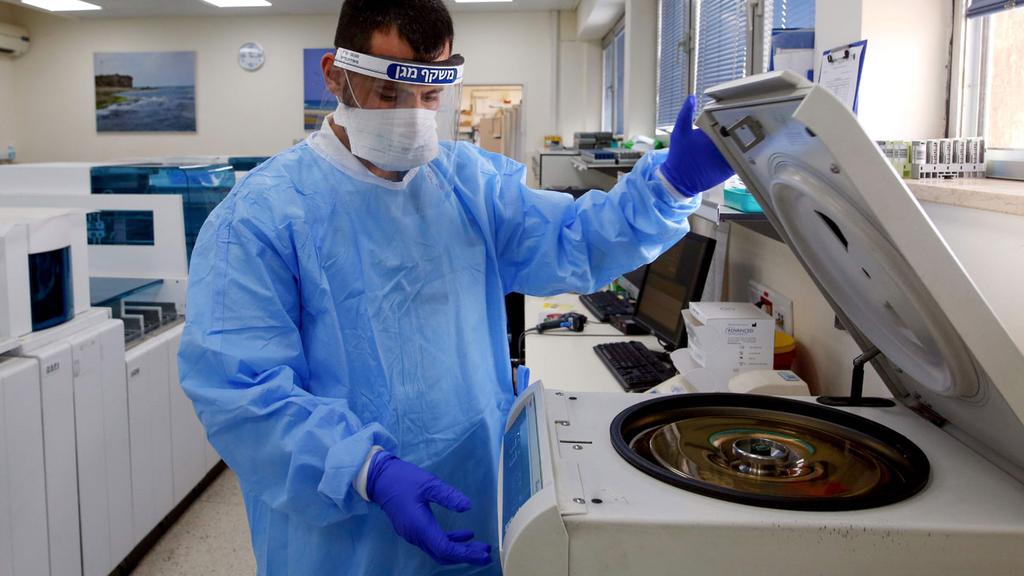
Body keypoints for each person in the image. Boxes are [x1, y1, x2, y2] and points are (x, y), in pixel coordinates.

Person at [177, 0, 734, 574]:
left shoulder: (469, 183)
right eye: (389, 94)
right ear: (334, 74)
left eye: (429, 96)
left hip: (471, 492)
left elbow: (574, 241)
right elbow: (240, 391)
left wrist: (669, 186)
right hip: (343, 534)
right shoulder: (260, 218)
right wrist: (366, 470)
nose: (411, 116)